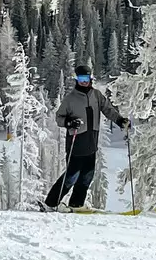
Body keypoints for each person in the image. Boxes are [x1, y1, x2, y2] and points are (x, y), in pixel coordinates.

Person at [45, 64, 128, 211]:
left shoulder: (96, 95)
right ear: (76, 79)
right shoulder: (70, 99)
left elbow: (108, 110)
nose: (84, 81)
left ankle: (76, 204)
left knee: (87, 177)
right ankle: (51, 204)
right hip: (76, 143)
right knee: (71, 176)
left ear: (90, 78)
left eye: (86, 78)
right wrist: (69, 122)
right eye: (81, 78)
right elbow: (59, 118)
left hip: (91, 143)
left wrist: (120, 121)